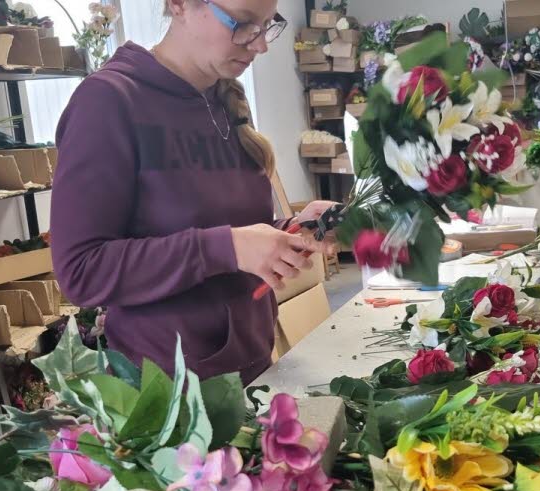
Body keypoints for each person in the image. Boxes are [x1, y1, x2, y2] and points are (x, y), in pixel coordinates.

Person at [51, 0, 335, 383]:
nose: (260, 45)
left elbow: (230, 231)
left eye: (269, 25)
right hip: (169, 399)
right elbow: (81, 271)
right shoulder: (108, 102)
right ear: (179, 5)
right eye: (242, 23)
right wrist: (227, 247)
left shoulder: (222, 97)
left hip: (252, 368)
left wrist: (293, 229)